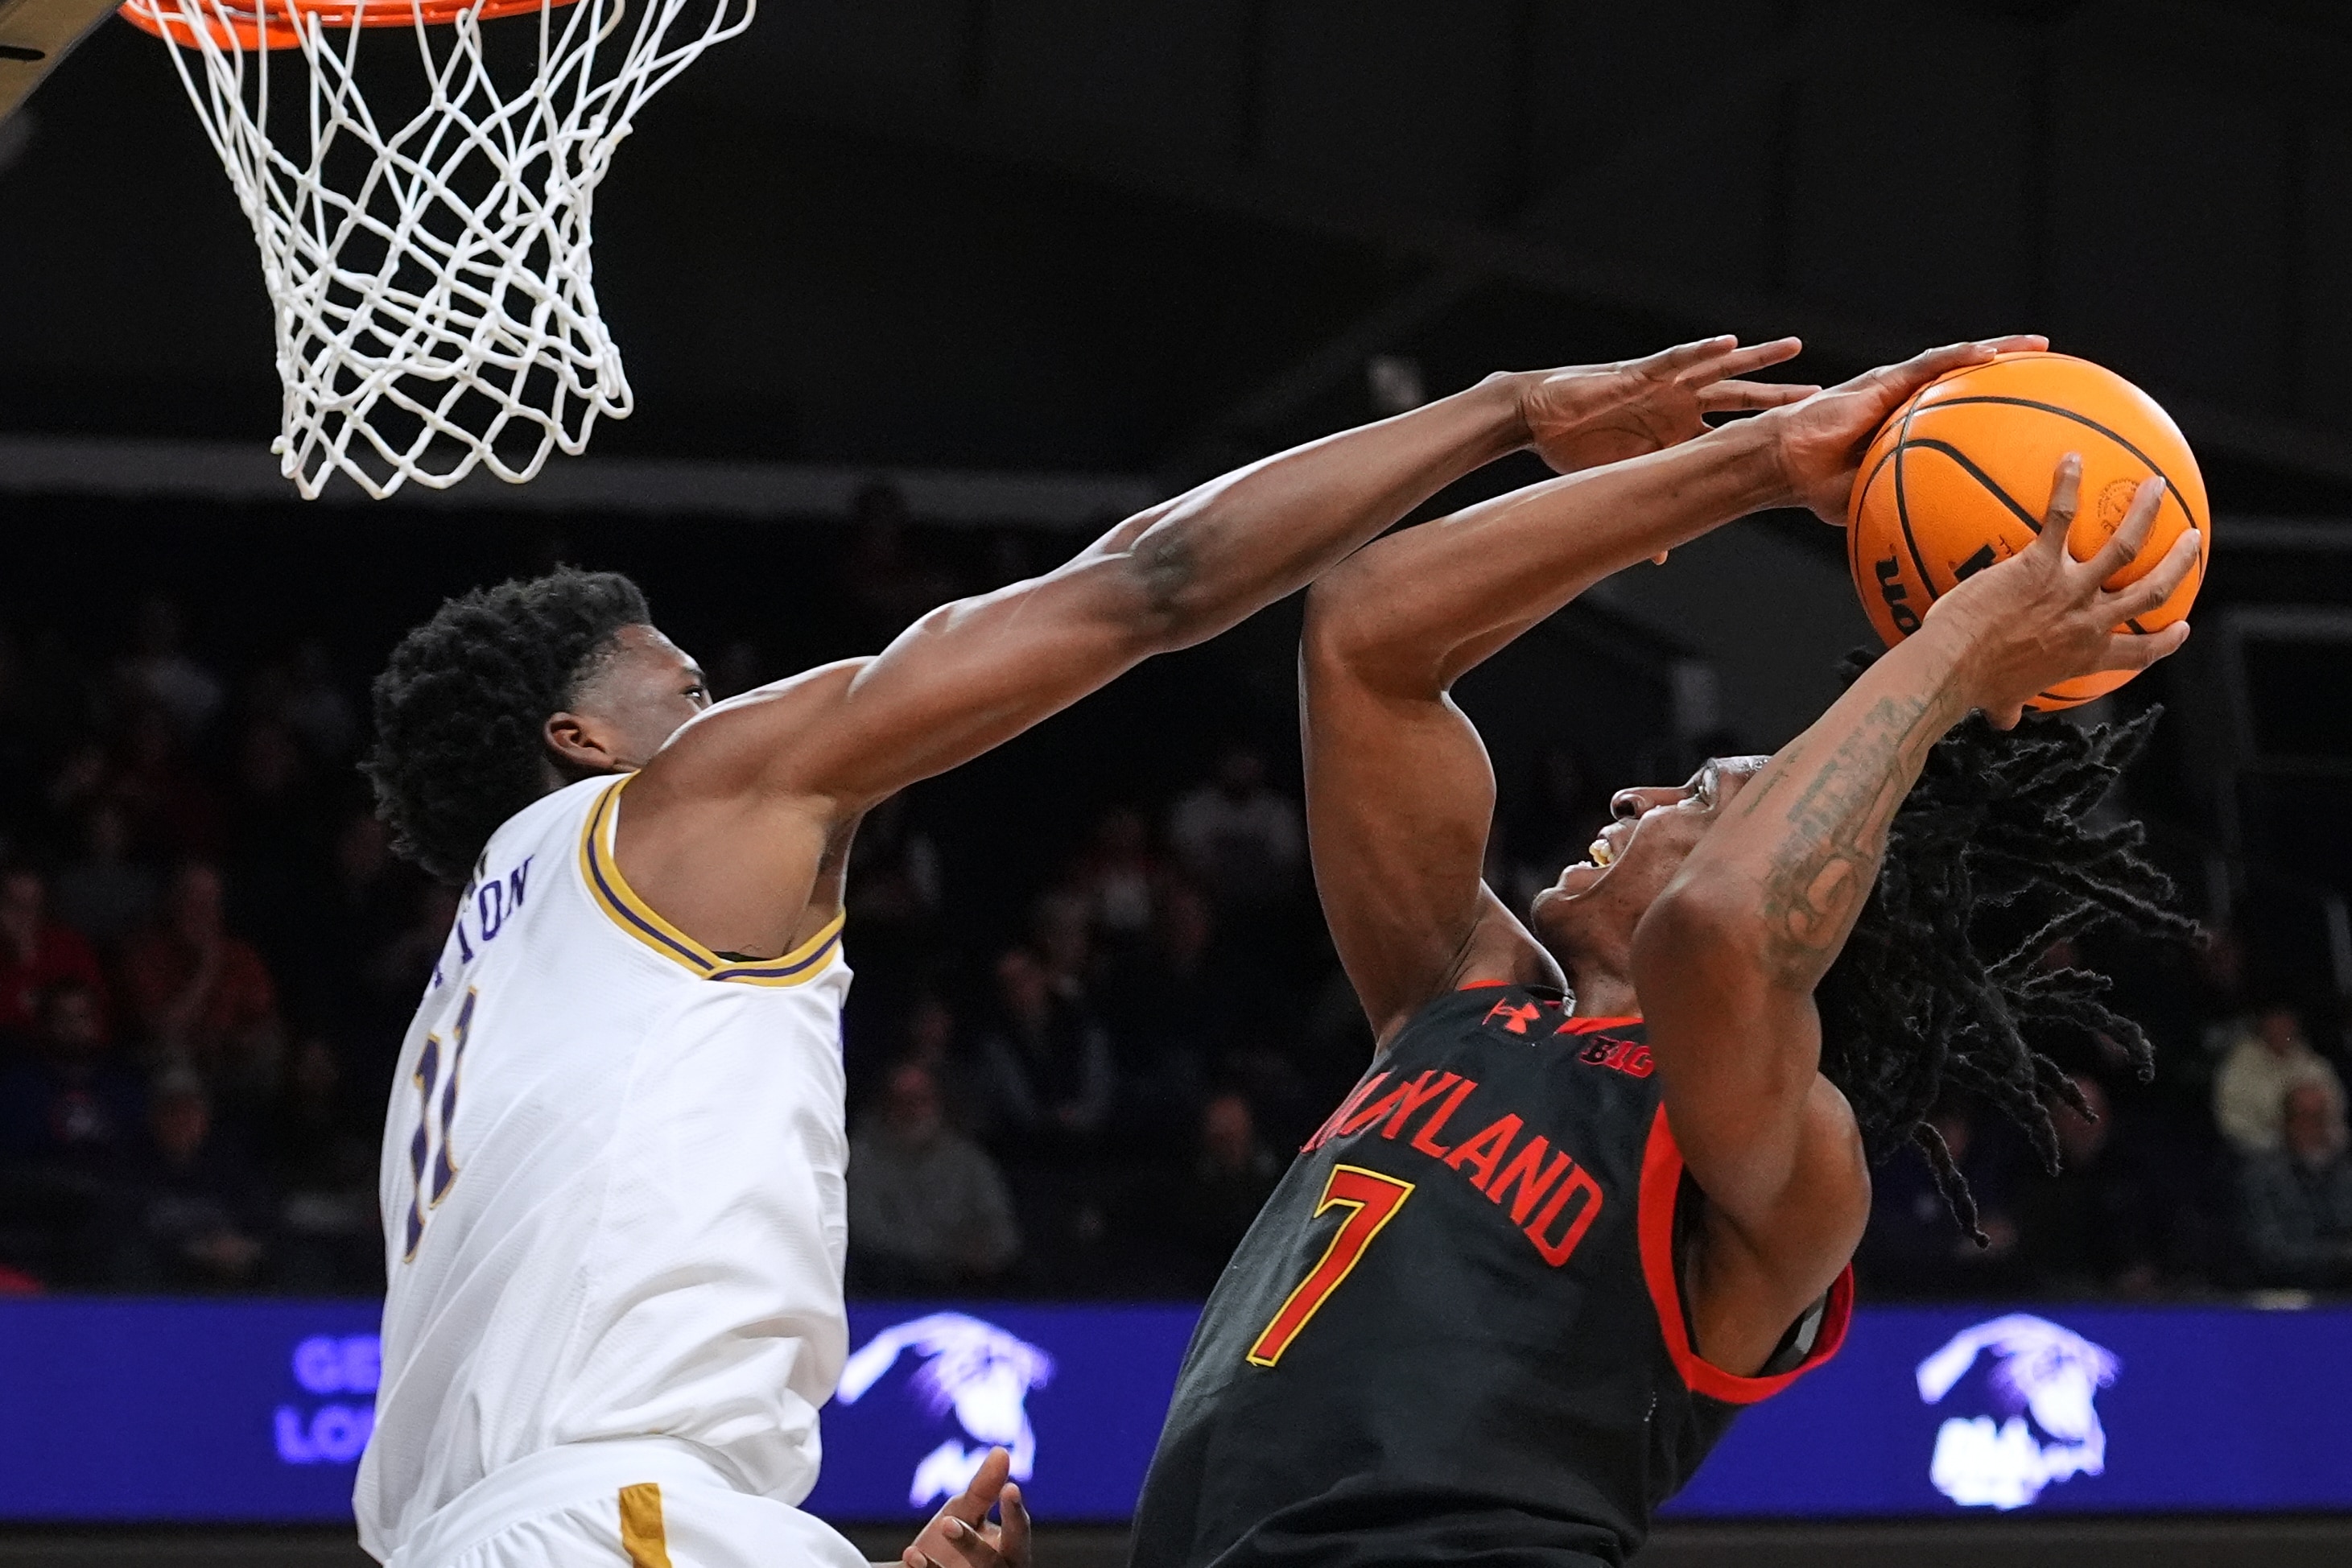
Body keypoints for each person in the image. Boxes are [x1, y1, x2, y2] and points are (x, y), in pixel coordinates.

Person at [350, 340, 1797, 1568]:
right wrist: (1506, 412)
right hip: (620, 1517)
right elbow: (1150, 583)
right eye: (688, 691)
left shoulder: (473, 998)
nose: (726, 713)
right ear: (580, 738)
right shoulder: (675, 812)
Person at [1129, 334, 2202, 1568]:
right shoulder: (1456, 995)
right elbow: (1363, 633)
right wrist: (1759, 463)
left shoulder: (1793, 1161)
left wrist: (1954, 656)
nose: (1632, 797)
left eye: (1695, 793)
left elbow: (1718, 931)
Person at [847, 1061, 1021, 1291]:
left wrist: (985, 1249)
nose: (911, 1109)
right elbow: (867, 1233)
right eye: (900, 1100)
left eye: (921, 1099)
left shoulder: (967, 1158)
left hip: (968, 1285)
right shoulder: (859, 1158)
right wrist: (946, 1252)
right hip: (890, 1286)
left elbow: (1002, 1226)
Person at [2235, 1078, 2352, 1288]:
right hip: (2282, 1291)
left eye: (2321, 1117)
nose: (2315, 1127)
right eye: (2306, 1117)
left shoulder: (2345, 1173)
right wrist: (2339, 1256)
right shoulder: (2262, 1176)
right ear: (2287, 1122)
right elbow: (2270, 1251)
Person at [2212, 1002, 2344, 1157]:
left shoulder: (2311, 1061)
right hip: (2259, 1148)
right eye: (2276, 1024)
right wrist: (2279, 1139)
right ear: (2263, 1026)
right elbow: (2230, 1119)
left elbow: (2335, 1104)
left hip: (2316, 1147)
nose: (2282, 1030)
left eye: (2287, 1024)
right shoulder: (2240, 1063)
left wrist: (2318, 1132)